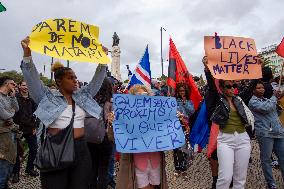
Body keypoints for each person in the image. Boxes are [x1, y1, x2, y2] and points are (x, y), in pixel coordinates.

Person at [20, 37, 107, 189]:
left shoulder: (83, 95)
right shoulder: (46, 96)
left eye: (76, 77)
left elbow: (97, 81)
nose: (75, 80)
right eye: (70, 77)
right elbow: (32, 79)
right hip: (56, 150)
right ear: (59, 81)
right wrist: (27, 54)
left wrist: (103, 60)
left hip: (81, 150)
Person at [203, 56, 252, 189]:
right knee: (225, 177)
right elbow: (212, 88)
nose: (232, 88)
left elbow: (250, 88)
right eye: (228, 86)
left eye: (234, 85)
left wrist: (257, 69)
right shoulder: (217, 101)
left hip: (243, 139)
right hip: (225, 140)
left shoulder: (239, 99)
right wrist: (208, 70)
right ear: (223, 88)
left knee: (240, 178)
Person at [116, 84, 168, 189]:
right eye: (137, 95)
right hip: (138, 162)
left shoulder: (156, 114)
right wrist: (112, 123)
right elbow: (114, 137)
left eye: (144, 94)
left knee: (155, 186)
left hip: (155, 161)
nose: (141, 97)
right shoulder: (125, 116)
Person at [248, 81, 284, 189]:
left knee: (283, 158)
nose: (262, 89)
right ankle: (271, 183)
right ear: (253, 90)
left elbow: (276, 112)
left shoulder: (267, 100)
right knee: (266, 159)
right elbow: (265, 108)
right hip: (265, 133)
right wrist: (274, 98)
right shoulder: (252, 102)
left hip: (278, 132)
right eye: (258, 88)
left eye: (262, 88)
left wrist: (277, 101)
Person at [87, 78, 114, 189]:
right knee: (103, 168)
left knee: (92, 166)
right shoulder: (111, 102)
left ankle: (91, 186)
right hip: (105, 137)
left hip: (90, 137)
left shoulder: (90, 100)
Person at [12, 81, 39, 183]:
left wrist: (34, 127)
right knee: (16, 152)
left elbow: (35, 114)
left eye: (27, 85)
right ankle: (15, 172)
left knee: (34, 148)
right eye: (23, 85)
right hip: (17, 128)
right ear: (19, 86)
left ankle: (29, 168)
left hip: (30, 128)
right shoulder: (15, 98)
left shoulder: (32, 99)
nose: (25, 87)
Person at [0, 76, 19, 189]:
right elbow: (5, 115)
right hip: (2, 135)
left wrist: (13, 97)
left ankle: (5, 183)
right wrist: (10, 113)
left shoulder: (8, 97)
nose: (15, 86)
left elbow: (16, 109)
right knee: (4, 161)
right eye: (13, 84)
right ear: (7, 84)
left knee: (12, 159)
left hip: (10, 131)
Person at [173, 83, 195, 179]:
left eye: (183, 91)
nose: (182, 92)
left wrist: (185, 103)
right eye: (180, 91)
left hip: (185, 127)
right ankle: (177, 168)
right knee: (176, 149)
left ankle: (184, 169)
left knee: (184, 149)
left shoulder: (189, 101)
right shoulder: (174, 101)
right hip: (175, 127)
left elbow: (192, 112)